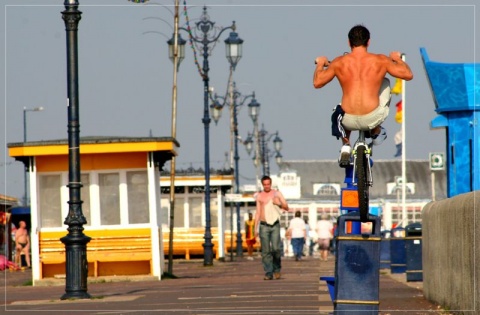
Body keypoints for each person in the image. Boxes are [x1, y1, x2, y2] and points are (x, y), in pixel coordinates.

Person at [313, 24, 413, 166]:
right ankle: (376, 130)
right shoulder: (381, 60)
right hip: (372, 117)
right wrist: (397, 58)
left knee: (340, 110)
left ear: (349, 42)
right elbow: (408, 75)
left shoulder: (338, 62)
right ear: (368, 42)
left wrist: (321, 64)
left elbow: (317, 83)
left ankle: (346, 145)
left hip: (348, 120)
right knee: (385, 81)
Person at [254, 175, 289, 280]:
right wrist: (255, 228)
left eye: (268, 184)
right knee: (265, 251)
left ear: (271, 183)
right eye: (265, 184)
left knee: (276, 249)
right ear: (262, 185)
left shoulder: (276, 193)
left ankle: (277, 269)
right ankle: (268, 272)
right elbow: (258, 212)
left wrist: (278, 203)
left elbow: (287, 207)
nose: (267, 186)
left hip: (275, 225)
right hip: (264, 225)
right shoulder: (260, 196)